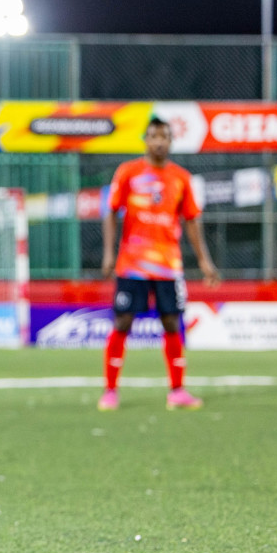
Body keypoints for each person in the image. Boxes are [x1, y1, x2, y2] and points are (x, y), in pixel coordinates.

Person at [98, 116, 220, 411]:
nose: (159, 141)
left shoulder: (181, 178)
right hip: (132, 264)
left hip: (168, 265)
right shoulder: (128, 172)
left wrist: (204, 261)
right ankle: (111, 391)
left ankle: (177, 391)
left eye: (164, 136)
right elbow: (111, 211)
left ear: (171, 141)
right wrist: (108, 254)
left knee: (171, 322)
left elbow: (191, 219)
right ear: (145, 140)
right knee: (123, 321)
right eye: (153, 136)